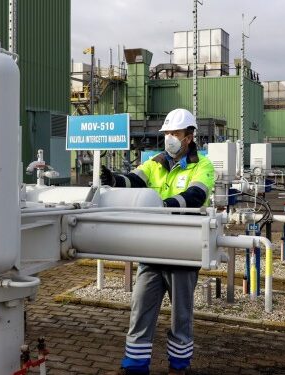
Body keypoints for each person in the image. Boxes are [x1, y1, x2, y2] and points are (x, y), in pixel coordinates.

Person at [101, 108, 215, 375]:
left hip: (184, 251)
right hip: (151, 250)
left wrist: (162, 205)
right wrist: (114, 180)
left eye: (175, 133)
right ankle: (135, 366)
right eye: (167, 134)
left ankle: (179, 366)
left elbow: (196, 195)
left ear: (189, 136)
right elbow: (134, 180)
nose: (170, 138)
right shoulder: (155, 163)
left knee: (181, 316)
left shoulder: (203, 165)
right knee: (140, 308)